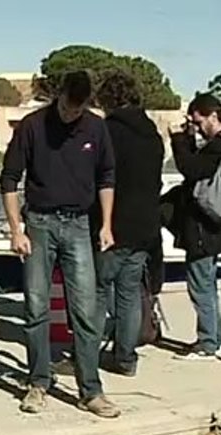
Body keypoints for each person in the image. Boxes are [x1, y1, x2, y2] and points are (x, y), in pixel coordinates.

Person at [1, 71, 120, 419]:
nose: (70, 115)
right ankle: (38, 382)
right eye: (67, 107)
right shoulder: (33, 126)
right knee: (36, 306)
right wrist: (16, 230)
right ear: (60, 96)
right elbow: (9, 179)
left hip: (79, 223)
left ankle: (90, 390)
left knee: (85, 310)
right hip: (39, 222)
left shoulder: (95, 128)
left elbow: (107, 177)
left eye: (77, 110)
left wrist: (107, 224)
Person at [166, 94, 221, 361]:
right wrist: (190, 139)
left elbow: (191, 169)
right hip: (216, 224)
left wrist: (179, 140)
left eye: (199, 121)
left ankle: (207, 343)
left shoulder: (216, 146)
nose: (197, 127)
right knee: (209, 286)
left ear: (213, 116)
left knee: (200, 286)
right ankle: (213, 337)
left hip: (203, 228)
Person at [94, 70, 163, 377]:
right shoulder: (152, 134)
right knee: (130, 293)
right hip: (145, 225)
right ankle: (126, 358)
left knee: (97, 292)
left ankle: (86, 356)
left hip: (113, 224)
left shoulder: (109, 132)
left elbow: (99, 178)